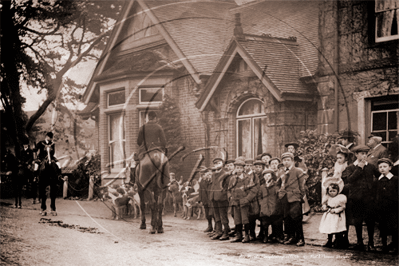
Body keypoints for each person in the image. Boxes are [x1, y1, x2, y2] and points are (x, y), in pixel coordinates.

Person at [341, 144, 380, 251]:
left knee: (370, 221)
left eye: (365, 154)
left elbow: (379, 177)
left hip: (369, 198)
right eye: (361, 154)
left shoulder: (371, 166)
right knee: (357, 220)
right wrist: (359, 168)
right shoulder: (350, 167)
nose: (364, 156)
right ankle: (359, 241)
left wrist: (374, 191)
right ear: (356, 155)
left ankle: (371, 242)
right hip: (356, 198)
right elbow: (350, 180)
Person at [278, 152, 306, 246]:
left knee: (296, 218)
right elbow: (279, 184)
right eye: (284, 160)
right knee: (287, 218)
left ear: (292, 161)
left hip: (295, 198)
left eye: (288, 160)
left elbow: (302, 187)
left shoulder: (298, 171)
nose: (286, 162)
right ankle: (291, 237)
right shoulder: (282, 172)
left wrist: (299, 196)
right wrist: (280, 193)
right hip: (285, 198)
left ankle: (300, 238)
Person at [228, 158, 258, 243]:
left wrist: (247, 199)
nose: (239, 170)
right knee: (237, 219)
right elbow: (228, 190)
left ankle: (247, 236)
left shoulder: (248, 178)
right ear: (235, 168)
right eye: (237, 168)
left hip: (244, 202)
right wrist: (230, 197)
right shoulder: (232, 179)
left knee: (245, 219)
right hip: (235, 202)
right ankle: (238, 235)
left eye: (240, 168)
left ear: (243, 169)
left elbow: (254, 190)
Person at [136, 111, 170, 187]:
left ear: (148, 118)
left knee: (137, 164)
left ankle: (134, 181)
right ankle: (167, 182)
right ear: (155, 118)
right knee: (166, 162)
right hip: (157, 150)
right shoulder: (159, 127)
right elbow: (164, 142)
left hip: (145, 150)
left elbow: (138, 142)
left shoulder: (142, 128)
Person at [375, 158, 398, 253]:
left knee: (394, 226)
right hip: (381, 207)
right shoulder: (378, 181)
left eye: (385, 166)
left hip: (393, 207)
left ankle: (395, 245)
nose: (382, 169)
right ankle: (384, 245)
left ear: (390, 167)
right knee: (382, 226)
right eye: (380, 167)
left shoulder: (395, 179)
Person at [36, 132, 61, 216]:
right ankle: (35, 177)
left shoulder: (52, 144)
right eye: (49, 137)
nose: (50, 139)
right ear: (46, 137)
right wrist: (34, 150)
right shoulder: (40, 143)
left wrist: (51, 158)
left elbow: (53, 153)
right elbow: (36, 150)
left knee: (59, 164)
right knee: (36, 166)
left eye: (51, 137)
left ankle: (59, 176)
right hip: (42, 158)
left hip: (51, 158)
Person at [319, 179, 347, 249]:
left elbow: (342, 207)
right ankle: (329, 241)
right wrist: (324, 207)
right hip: (329, 215)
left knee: (337, 228)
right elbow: (324, 204)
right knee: (329, 228)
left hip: (337, 216)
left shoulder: (340, 198)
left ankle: (338, 241)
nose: (332, 193)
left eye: (334, 191)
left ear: (338, 191)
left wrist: (335, 210)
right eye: (330, 191)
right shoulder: (327, 197)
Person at [209, 157, 230, 241]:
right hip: (214, 197)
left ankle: (226, 233)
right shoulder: (213, 174)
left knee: (223, 215)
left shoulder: (226, 174)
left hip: (222, 198)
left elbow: (226, 187)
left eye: (219, 163)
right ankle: (218, 232)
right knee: (216, 215)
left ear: (222, 164)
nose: (217, 165)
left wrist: (222, 195)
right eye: (215, 163)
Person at [259, 169, 283, 244]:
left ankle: (276, 236)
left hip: (273, 206)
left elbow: (279, 195)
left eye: (269, 175)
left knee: (275, 222)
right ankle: (265, 236)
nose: (267, 177)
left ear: (272, 176)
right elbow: (259, 196)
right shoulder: (262, 186)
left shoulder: (275, 185)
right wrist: (261, 203)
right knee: (265, 223)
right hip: (265, 207)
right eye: (265, 176)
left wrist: (277, 204)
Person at [198, 167, 214, 233]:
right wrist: (200, 199)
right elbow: (200, 191)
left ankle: (216, 228)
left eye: (209, 174)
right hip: (205, 200)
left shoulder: (211, 181)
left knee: (213, 214)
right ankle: (210, 226)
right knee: (207, 215)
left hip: (211, 200)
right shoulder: (202, 181)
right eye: (202, 174)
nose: (204, 176)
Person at [20, 139, 34, 205]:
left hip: (29, 166)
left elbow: (32, 158)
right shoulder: (22, 151)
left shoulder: (30, 151)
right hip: (23, 166)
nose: (25, 145)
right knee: (24, 179)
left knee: (30, 180)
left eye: (26, 144)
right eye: (24, 145)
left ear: (27, 145)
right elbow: (20, 158)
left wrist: (28, 162)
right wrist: (22, 162)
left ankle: (30, 194)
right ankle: (25, 194)